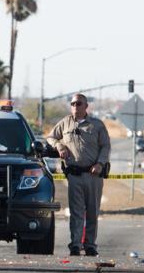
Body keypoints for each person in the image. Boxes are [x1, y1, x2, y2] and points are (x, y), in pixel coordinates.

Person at [46, 93, 111, 256]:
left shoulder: (97, 125)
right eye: (73, 103)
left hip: (93, 175)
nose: (75, 106)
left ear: (86, 106)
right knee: (76, 212)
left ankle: (90, 245)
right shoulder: (65, 123)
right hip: (74, 175)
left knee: (92, 212)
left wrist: (100, 163)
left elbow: (105, 146)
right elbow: (50, 137)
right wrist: (59, 146)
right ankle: (75, 245)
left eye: (79, 103)